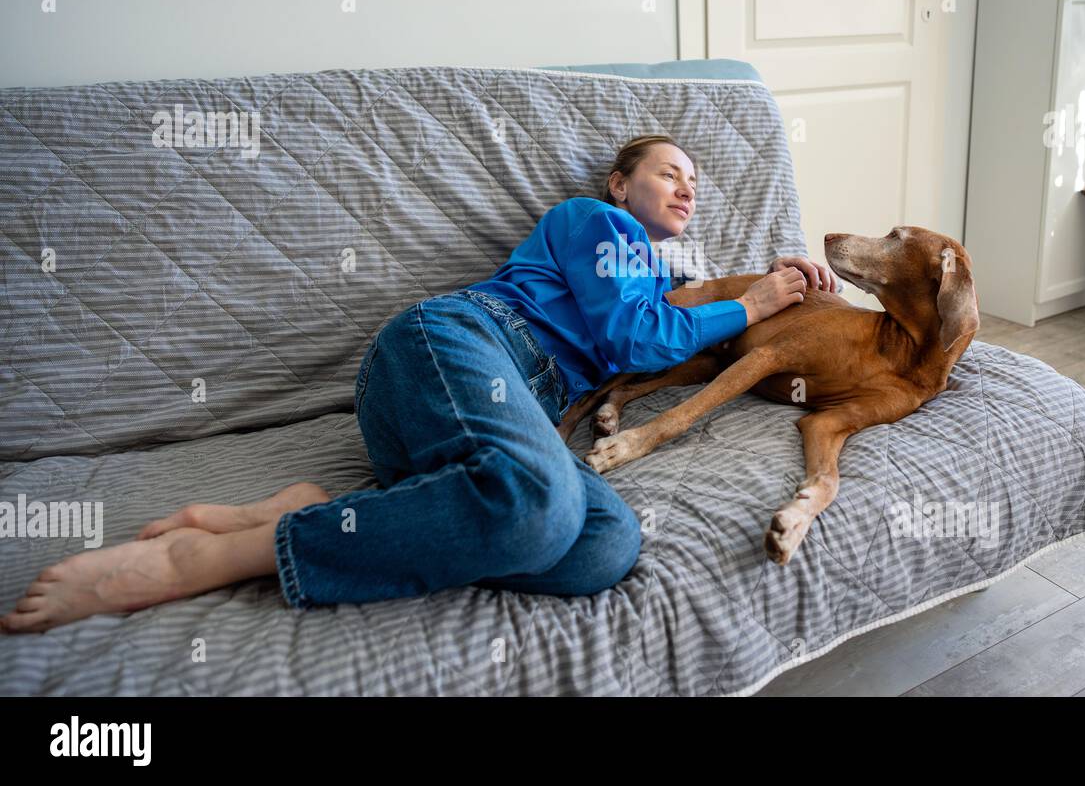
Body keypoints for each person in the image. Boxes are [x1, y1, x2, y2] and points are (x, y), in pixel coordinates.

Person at [0, 135, 836, 632]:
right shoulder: (598, 223)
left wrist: (776, 282)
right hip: (455, 345)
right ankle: (212, 556)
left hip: (469, 426)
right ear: (621, 185)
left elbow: (682, 313)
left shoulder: (650, 280)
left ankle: (309, 508)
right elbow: (635, 332)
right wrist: (758, 298)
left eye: (695, 181)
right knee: (542, 505)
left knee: (604, 547)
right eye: (666, 172)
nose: (685, 185)